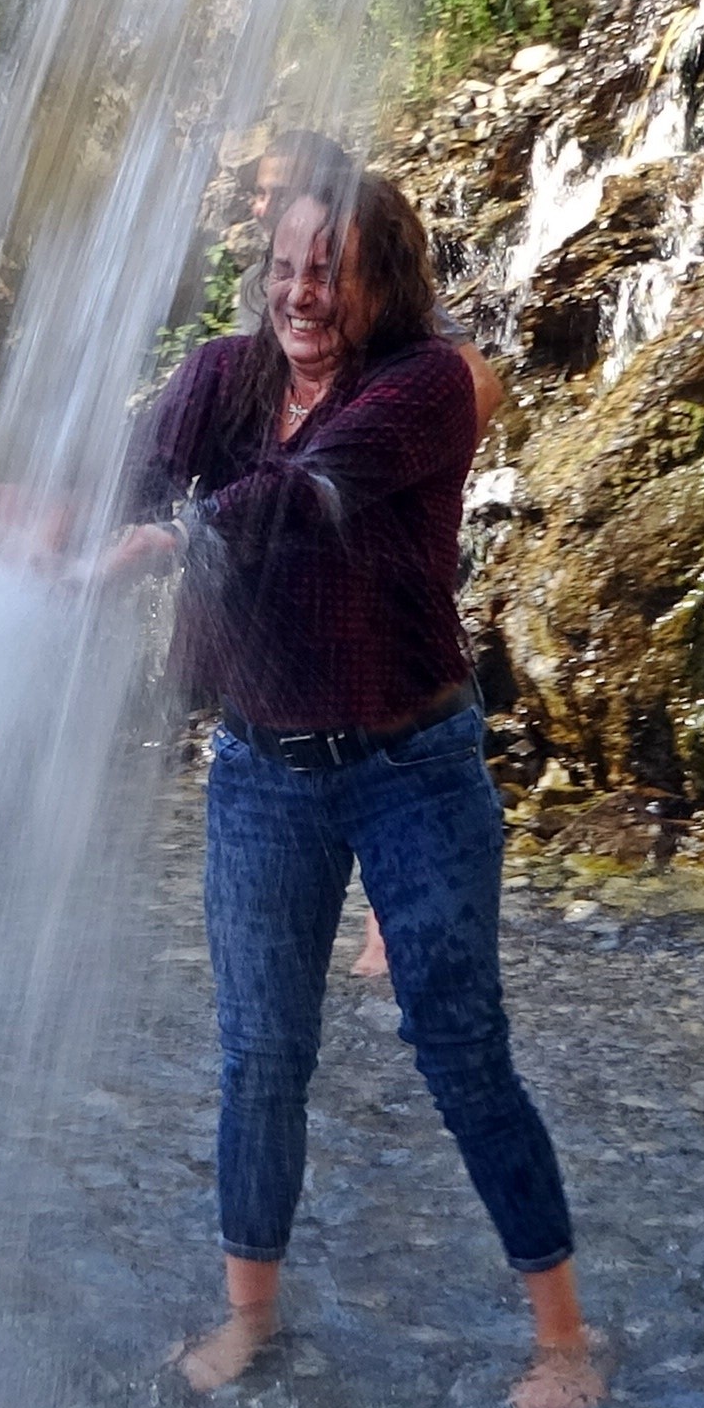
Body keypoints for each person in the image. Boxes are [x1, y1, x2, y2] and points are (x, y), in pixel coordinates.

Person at [112, 168, 601, 1408]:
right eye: (283, 267)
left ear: (386, 279)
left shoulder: (425, 387)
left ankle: (562, 1338)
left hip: (411, 769)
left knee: (460, 1049)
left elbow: (306, 493)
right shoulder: (225, 376)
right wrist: (71, 527)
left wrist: (176, 540)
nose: (299, 292)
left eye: (327, 270)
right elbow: (141, 471)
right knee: (261, 1057)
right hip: (261, 769)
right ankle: (251, 1316)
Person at [249, 132, 504, 979]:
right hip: (312, 552)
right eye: (259, 191)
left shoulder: (368, 277)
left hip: (383, 532)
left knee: (401, 696)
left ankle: (390, 919)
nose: (258, 201)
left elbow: (477, 379)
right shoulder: (293, 276)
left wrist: (391, 460)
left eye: (274, 186)